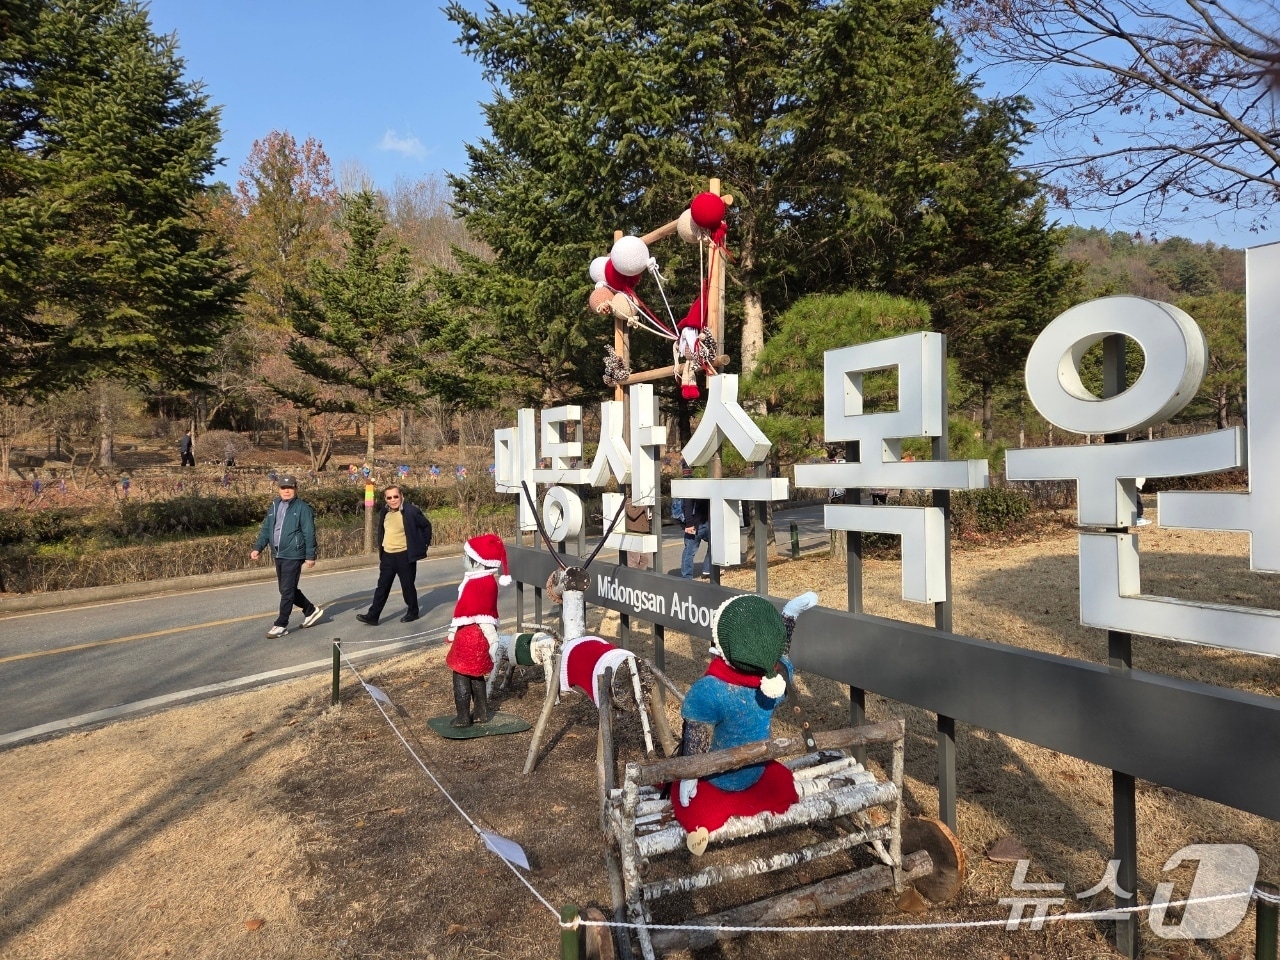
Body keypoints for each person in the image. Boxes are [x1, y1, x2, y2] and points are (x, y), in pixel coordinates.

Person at [446, 533, 511, 727]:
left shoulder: (477, 584)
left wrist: (493, 640)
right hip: (478, 638)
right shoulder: (486, 581)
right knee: (476, 675)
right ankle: (482, 712)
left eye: (466, 557)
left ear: (478, 563)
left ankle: (463, 716)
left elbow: (481, 617)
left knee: (461, 675)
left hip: (469, 637)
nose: (462, 559)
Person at [250, 475, 323, 638]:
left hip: (293, 554)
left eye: (290, 487)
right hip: (278, 553)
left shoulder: (303, 508)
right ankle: (310, 610)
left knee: (287, 590)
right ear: (279, 489)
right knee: (285, 589)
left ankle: (281, 624)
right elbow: (267, 529)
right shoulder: (275, 505)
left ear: (295, 489)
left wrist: (310, 555)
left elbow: (309, 532)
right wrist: (258, 548)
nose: (287, 491)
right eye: (283, 488)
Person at [356, 485, 433, 626]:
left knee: (407, 586)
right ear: (385, 499)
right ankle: (373, 616)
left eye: (395, 496)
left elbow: (426, 526)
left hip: (404, 555)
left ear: (401, 496)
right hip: (388, 556)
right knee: (382, 587)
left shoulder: (411, 511)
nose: (393, 500)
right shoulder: (384, 512)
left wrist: (424, 544)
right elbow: (382, 531)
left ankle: (413, 611)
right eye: (389, 497)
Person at [680, 496, 711, 579]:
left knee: (715, 545)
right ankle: (686, 577)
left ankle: (707, 569)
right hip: (695, 524)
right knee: (689, 551)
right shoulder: (692, 486)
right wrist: (689, 523)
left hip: (707, 522)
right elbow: (687, 503)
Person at [624, 495, 652, 570]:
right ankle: (633, 577)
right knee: (633, 560)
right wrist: (642, 505)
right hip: (633, 532)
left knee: (645, 559)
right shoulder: (630, 500)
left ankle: (642, 576)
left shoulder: (647, 500)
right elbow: (632, 514)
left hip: (644, 532)